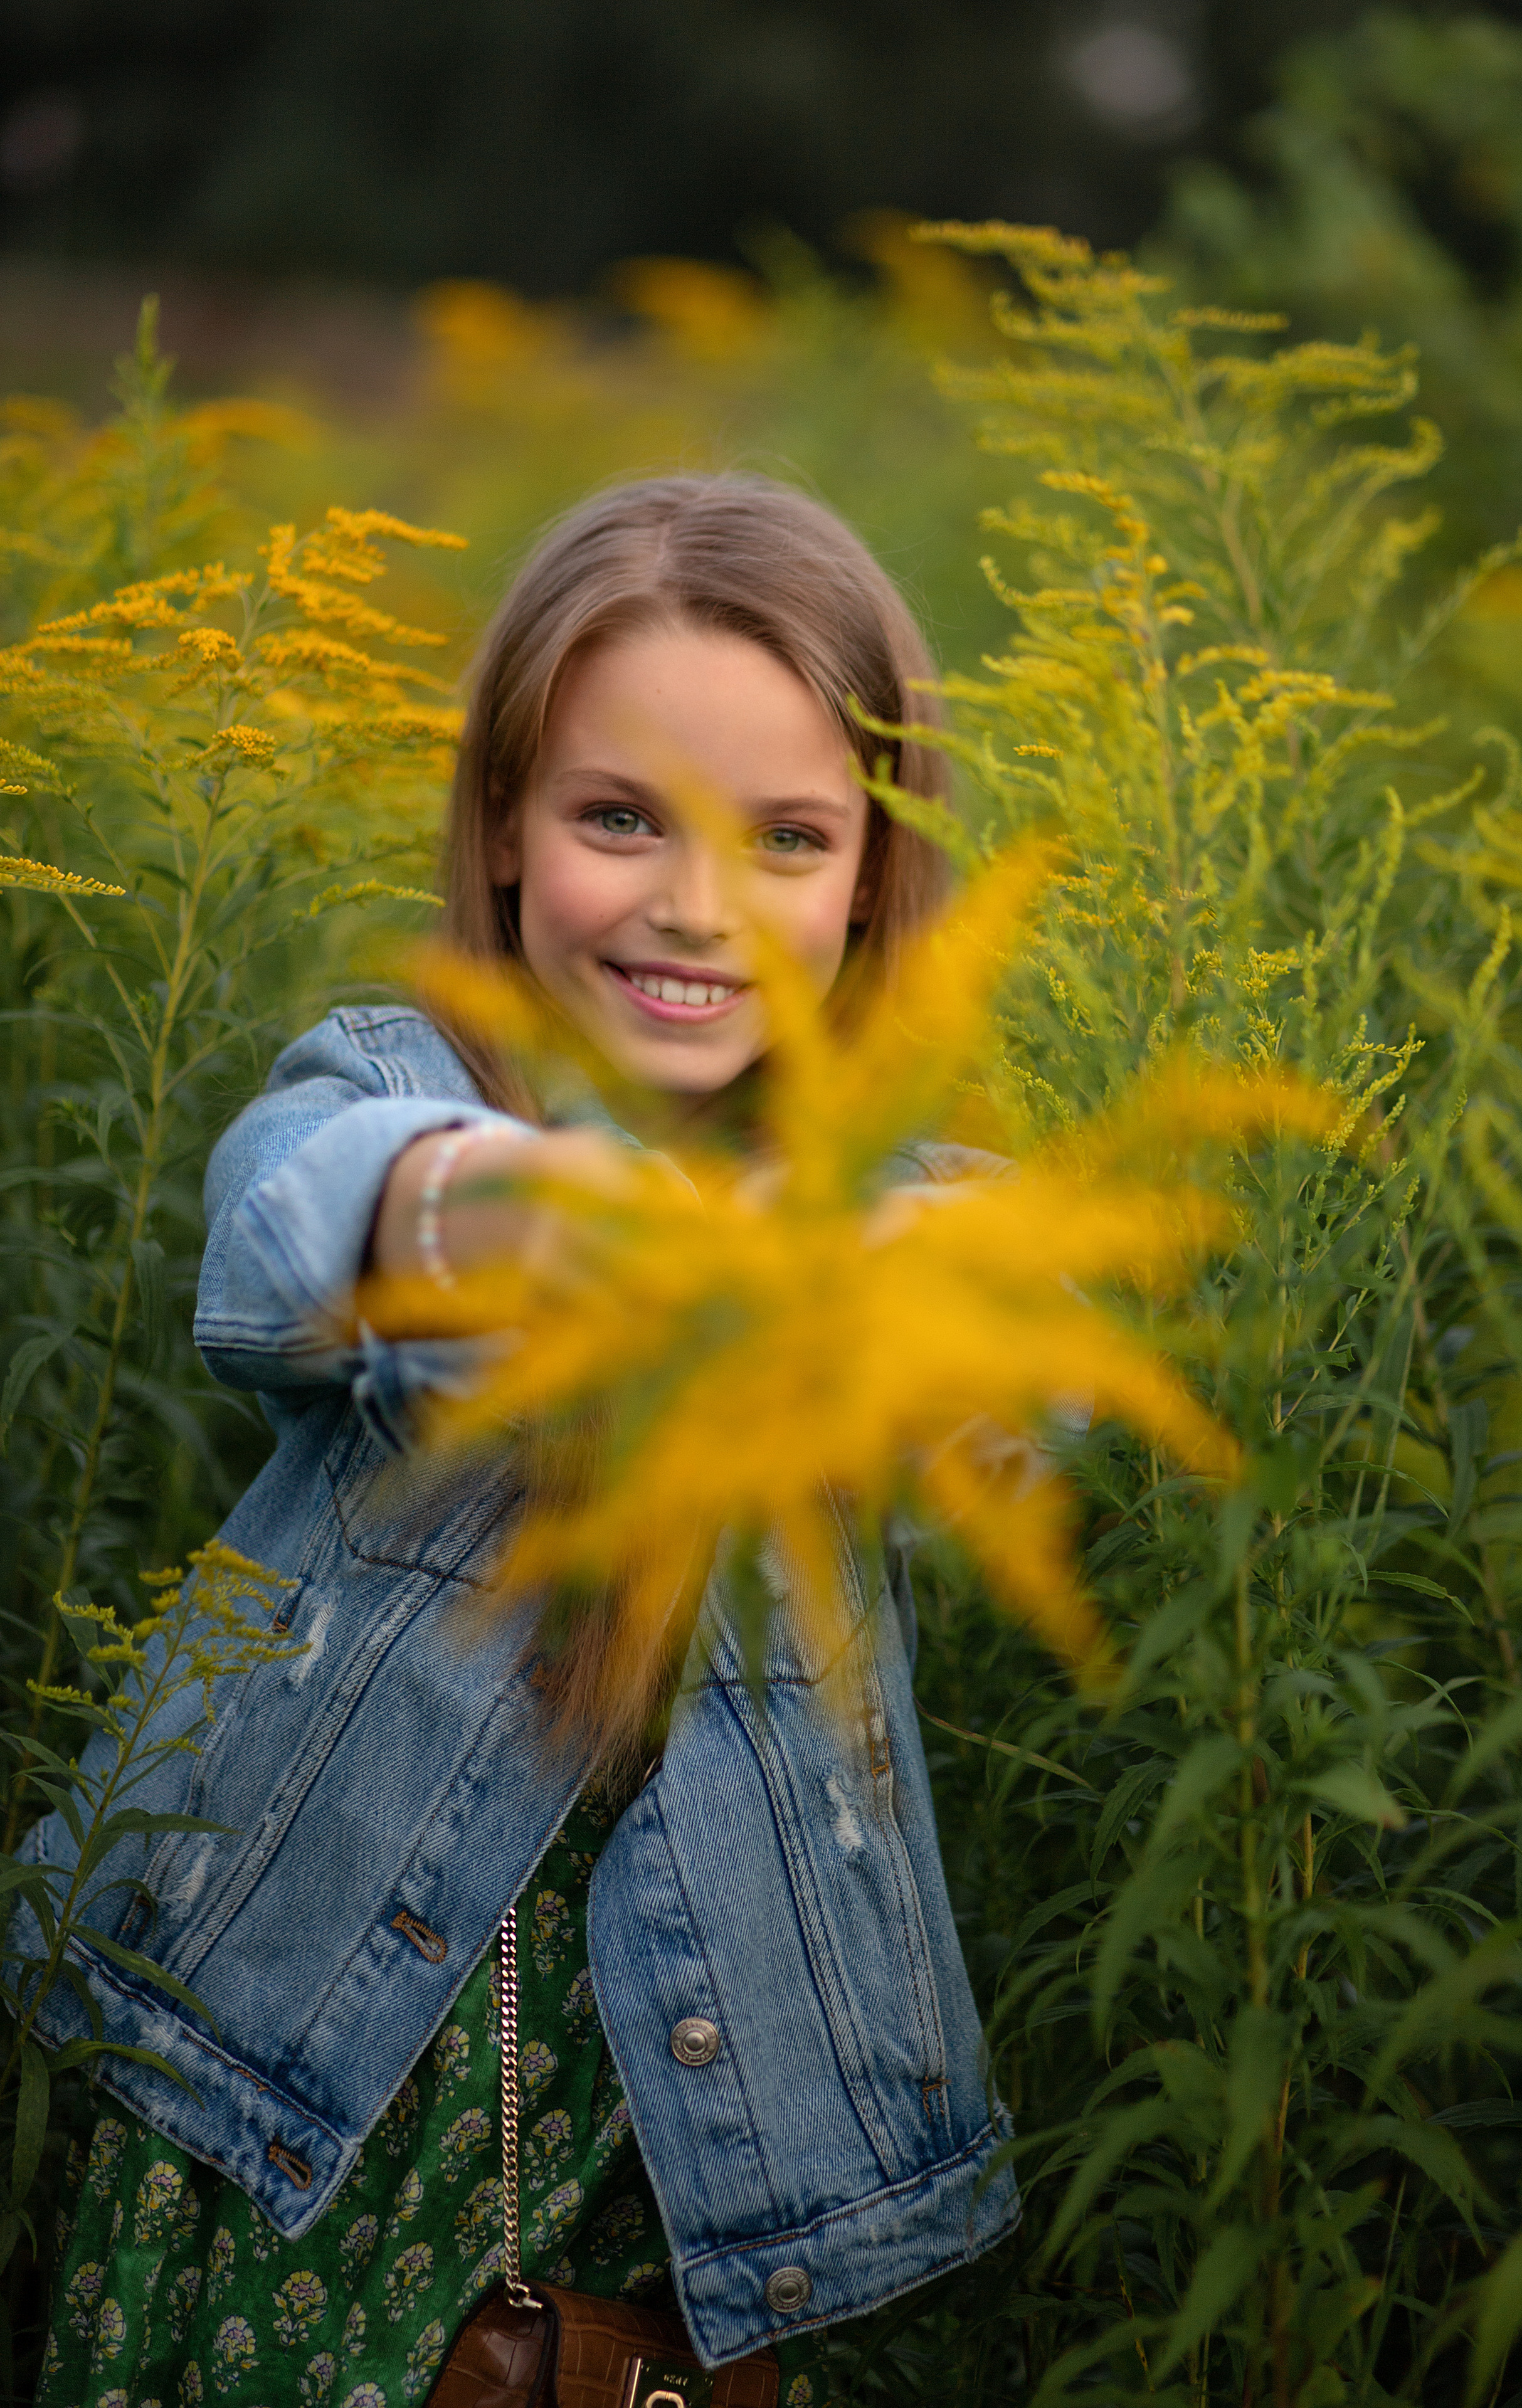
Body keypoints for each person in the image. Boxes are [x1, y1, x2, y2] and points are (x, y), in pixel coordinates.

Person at [28, 475, 1019, 2408]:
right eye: (620, 816)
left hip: (698, 2183)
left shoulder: (886, 1207)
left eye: (787, 838)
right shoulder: (404, 1088)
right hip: (276, 2120)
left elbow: (1023, 1359)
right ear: (502, 830)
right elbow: (291, 1213)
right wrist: (496, 1209)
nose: (692, 903)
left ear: (871, 886)